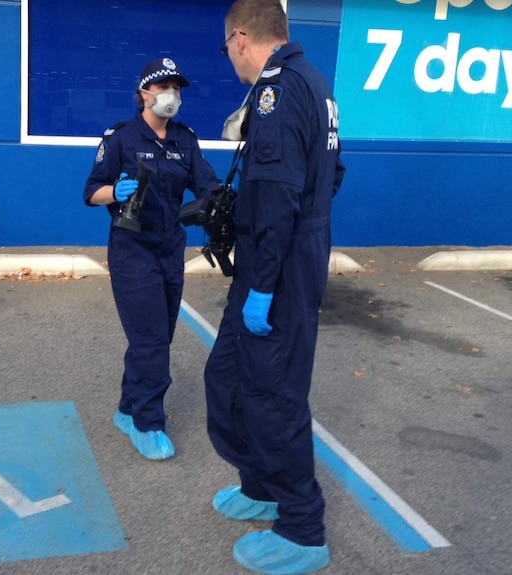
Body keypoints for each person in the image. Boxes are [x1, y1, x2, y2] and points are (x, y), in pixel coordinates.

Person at [206, 1, 345, 573]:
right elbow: (331, 174)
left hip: (277, 266)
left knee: (273, 393)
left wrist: (264, 283)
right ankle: (261, 483)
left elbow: (282, 197)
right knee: (229, 375)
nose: (230, 59)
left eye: (226, 49)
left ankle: (303, 527)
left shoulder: (278, 90)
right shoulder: (316, 82)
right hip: (284, 253)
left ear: (241, 38)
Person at [83, 58, 220, 461]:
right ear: (144, 93)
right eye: (163, 87)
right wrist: (115, 191)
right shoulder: (121, 137)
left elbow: (207, 185)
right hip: (132, 251)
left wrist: (226, 205)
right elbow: (90, 191)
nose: (171, 95)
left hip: (169, 250)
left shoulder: (184, 140)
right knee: (151, 340)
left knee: (157, 336)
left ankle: (127, 408)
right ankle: (148, 421)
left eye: (176, 88)